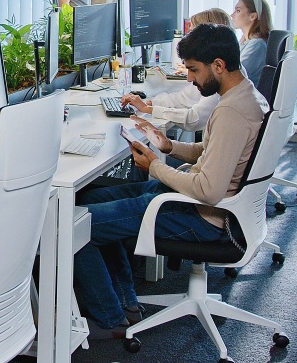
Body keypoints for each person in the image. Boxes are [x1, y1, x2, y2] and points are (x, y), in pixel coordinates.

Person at [74, 24, 268, 339]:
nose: (189, 78)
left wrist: (154, 167)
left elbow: (209, 190)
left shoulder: (232, 112)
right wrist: (168, 147)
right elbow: (210, 152)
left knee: (74, 227)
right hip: (199, 201)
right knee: (91, 201)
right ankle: (126, 303)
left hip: (202, 215)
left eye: (194, 70)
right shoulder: (246, 96)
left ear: (219, 65)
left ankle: (109, 320)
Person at [120, 8, 231, 132]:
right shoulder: (214, 71)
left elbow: (195, 119)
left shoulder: (219, 77)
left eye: (192, 33)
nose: (187, 37)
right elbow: (184, 98)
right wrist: (151, 103)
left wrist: (149, 109)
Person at [231, 0, 273, 85]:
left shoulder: (257, 45)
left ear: (253, 16)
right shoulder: (246, 42)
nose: (232, 15)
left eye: (238, 11)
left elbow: (236, 75)